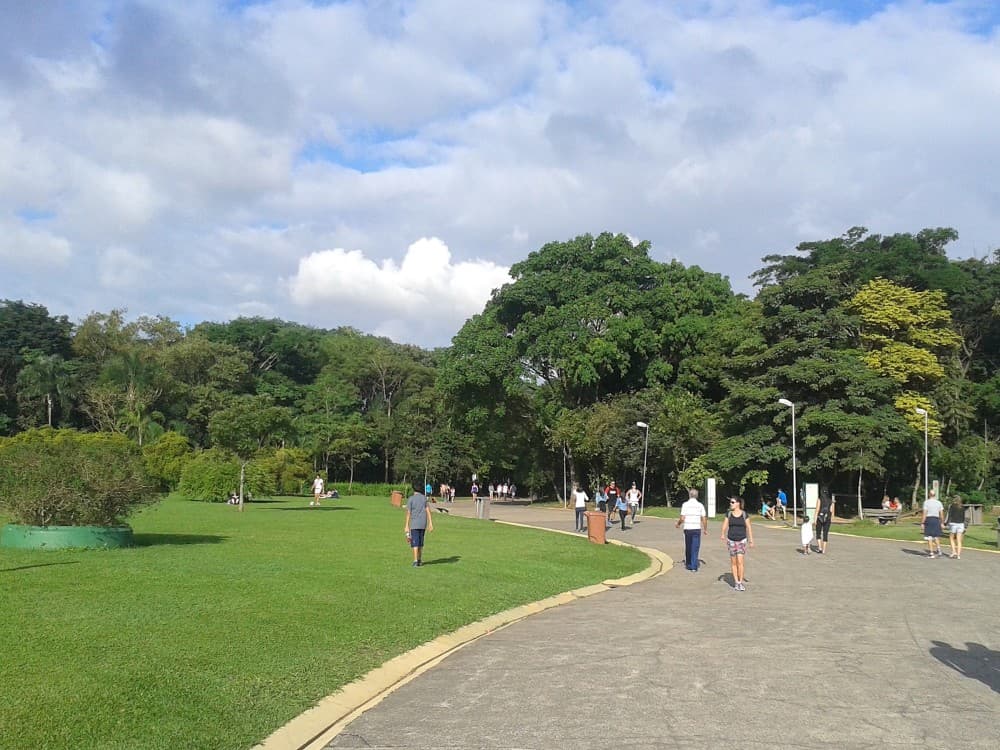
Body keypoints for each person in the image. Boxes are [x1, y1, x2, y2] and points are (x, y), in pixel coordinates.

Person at [721, 497, 754, 591]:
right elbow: (725, 525)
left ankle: (740, 582)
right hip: (731, 540)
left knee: (740, 561)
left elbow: (749, 527)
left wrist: (751, 540)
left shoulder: (744, 514)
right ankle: (736, 582)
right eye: (730, 502)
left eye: (732, 502)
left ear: (738, 503)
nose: (731, 504)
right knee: (733, 562)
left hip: (741, 540)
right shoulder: (729, 514)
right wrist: (722, 533)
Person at [676, 488, 707, 572]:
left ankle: (689, 564)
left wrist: (678, 524)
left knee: (688, 546)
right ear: (697, 496)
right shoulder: (700, 505)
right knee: (695, 547)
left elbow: (682, 518)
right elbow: (704, 518)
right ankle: (694, 566)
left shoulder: (685, 504)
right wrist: (705, 529)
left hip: (688, 528)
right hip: (696, 528)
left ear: (689, 495)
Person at [404, 482, 434, 567]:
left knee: (415, 543)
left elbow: (408, 513)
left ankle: (415, 560)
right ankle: (420, 560)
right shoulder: (424, 498)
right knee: (420, 543)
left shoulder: (411, 499)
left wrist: (406, 525)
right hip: (423, 524)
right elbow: (428, 511)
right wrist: (430, 523)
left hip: (414, 524)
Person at [922, 490, 945, 558]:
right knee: (936, 536)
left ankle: (931, 553)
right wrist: (942, 522)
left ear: (929, 494)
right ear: (935, 495)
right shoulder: (939, 503)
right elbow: (941, 513)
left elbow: (925, 513)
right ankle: (939, 549)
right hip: (936, 519)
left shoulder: (926, 502)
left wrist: (922, 522)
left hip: (929, 519)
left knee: (929, 536)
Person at [815, 489, 834, 554]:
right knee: (825, 534)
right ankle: (824, 550)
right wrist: (830, 518)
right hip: (828, 518)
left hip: (820, 518)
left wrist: (815, 519)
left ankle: (820, 548)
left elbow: (817, 510)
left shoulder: (819, 499)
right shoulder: (830, 501)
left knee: (818, 533)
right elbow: (831, 511)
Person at [946, 495, 965, 559]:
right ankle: (958, 555)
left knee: (951, 538)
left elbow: (949, 515)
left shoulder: (952, 506)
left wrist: (946, 523)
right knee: (959, 540)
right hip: (961, 524)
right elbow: (963, 517)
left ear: (954, 500)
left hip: (953, 523)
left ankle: (954, 551)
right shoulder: (962, 506)